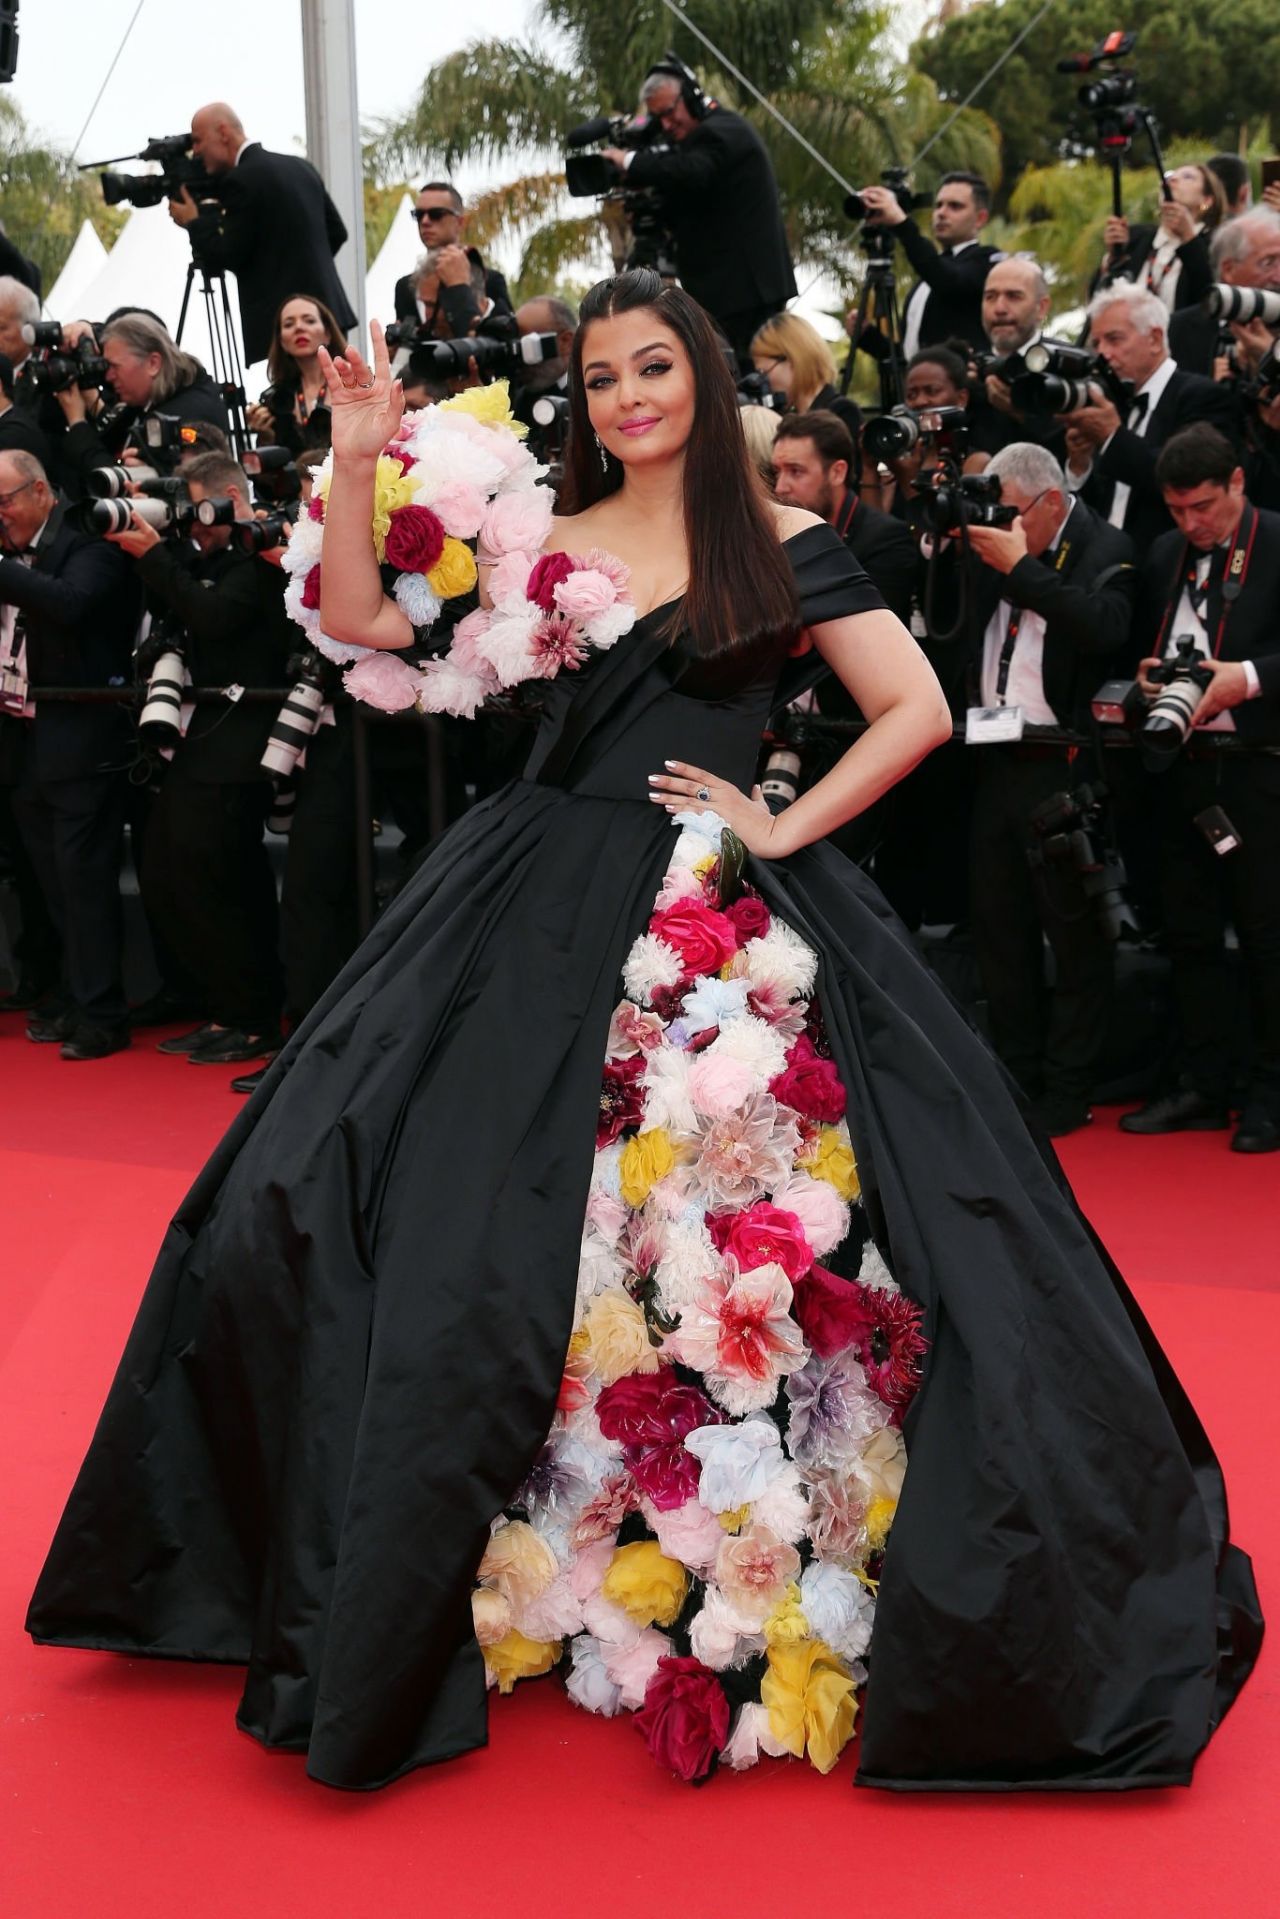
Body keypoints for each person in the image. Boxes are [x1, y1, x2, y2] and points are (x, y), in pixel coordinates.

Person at [26, 272, 1259, 1796]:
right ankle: (490, 1527)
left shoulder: (786, 542)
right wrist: (356, 456)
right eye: (602, 376)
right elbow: (353, 616)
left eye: (654, 365)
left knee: (801, 1212)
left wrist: (778, 819)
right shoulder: (534, 535)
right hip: (519, 891)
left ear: (707, 372)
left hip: (707, 898)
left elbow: (916, 705)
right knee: (333, 1183)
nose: (628, 397)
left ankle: (748, 1520)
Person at [960, 442, 1137, 1136]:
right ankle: (1016, 1078)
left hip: (1062, 764)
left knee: (1071, 933)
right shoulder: (991, 551)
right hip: (992, 756)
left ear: (1050, 504)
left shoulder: (1108, 549)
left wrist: (1022, 569)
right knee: (998, 928)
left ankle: (1069, 1087)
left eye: (1007, 513)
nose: (995, 526)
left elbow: (1104, 628)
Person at [1119, 424, 1280, 1151]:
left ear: (1239, 484)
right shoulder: (1163, 551)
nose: (1193, 522)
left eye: (1206, 507)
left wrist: (1242, 681)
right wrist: (1151, 680)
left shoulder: (1276, 540)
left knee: (1268, 934)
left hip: (1257, 768)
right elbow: (1145, 651)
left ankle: (1271, 1091)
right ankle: (1205, 1085)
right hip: (1176, 769)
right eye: (1179, 509)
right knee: (1188, 932)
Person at [104, 449, 292, 1068]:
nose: (194, 525)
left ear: (232, 500)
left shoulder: (260, 555)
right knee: (171, 871)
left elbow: (215, 617)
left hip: (243, 745)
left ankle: (255, 1017)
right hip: (205, 739)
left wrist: (158, 557)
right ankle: (224, 1009)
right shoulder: (206, 555)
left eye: (201, 511)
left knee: (226, 881)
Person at [0, 450, 141, 1058]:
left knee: (83, 884)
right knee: (50, 884)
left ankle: (102, 1013)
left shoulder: (89, 540)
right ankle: (70, 993)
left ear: (40, 492)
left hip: (83, 739)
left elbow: (70, 604)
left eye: (3, 500)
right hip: (23, 736)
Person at [601, 60, 795, 361]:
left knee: (747, 379)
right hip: (734, 291)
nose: (665, 124)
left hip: (744, 292)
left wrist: (628, 160)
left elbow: (692, 172)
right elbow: (693, 194)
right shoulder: (698, 141)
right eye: (657, 118)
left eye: (669, 112)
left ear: (690, 97)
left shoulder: (718, 132)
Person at [169, 101, 356, 364]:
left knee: (298, 404)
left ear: (223, 132)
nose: (195, 152)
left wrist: (194, 222)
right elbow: (337, 233)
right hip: (329, 317)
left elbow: (225, 256)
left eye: (198, 141)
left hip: (287, 331)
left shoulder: (241, 179)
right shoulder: (300, 167)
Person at [1064, 282, 1241, 556]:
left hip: (1169, 567)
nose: (1103, 354)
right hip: (1106, 572)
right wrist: (1080, 464)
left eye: (1114, 339)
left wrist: (1113, 438)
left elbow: (1188, 479)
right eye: (1097, 343)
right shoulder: (1114, 405)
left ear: (1155, 339)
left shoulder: (1202, 396)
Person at [54, 313, 229, 496]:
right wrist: (85, 328)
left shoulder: (182, 418)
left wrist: (77, 423)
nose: (108, 376)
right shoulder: (176, 387)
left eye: (114, 367)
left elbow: (121, 488)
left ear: (153, 363)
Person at [770, 409, 915, 625]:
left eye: (796, 471)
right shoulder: (776, 536)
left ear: (837, 472)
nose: (780, 487)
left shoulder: (887, 541)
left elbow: (869, 634)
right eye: (776, 472)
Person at [854, 172, 1000, 356]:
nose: (941, 213)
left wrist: (902, 224)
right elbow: (911, 361)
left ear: (980, 218)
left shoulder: (988, 260)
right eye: (938, 205)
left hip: (962, 382)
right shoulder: (929, 278)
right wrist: (867, 337)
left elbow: (948, 281)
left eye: (955, 206)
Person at [1093, 162, 1226, 313]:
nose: (1172, 180)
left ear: (1207, 200)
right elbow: (1099, 299)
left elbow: (1207, 294)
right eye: (1170, 176)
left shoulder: (1216, 244)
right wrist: (1112, 257)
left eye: (1188, 177)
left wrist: (1188, 238)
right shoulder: (1135, 238)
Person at [1169, 208, 1280, 376]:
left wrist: (1271, 359)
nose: (1278, 276)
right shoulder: (1180, 331)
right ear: (1228, 270)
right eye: (1268, 263)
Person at [394, 183, 512, 322]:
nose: (425, 221)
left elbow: (507, 334)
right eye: (418, 215)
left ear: (460, 222)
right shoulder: (405, 287)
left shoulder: (490, 280)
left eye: (436, 214)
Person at [248, 293, 345, 456]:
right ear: (282, 342)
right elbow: (266, 478)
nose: (299, 327)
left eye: (309, 320)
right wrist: (265, 438)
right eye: (288, 324)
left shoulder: (353, 385)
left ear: (327, 334)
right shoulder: (275, 401)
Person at [749, 311, 862, 443]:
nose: (763, 381)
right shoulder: (789, 418)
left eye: (764, 372)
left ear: (791, 360)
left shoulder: (842, 413)